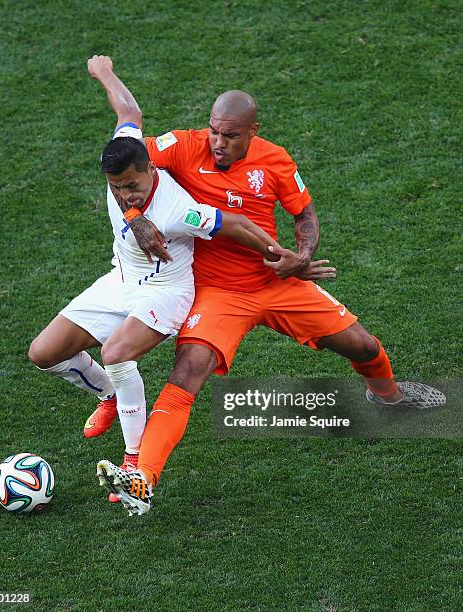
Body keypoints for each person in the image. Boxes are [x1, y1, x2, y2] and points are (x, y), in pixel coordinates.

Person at [88, 55, 445, 516]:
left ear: (253, 131)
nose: (217, 142)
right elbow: (124, 168)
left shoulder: (275, 161)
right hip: (217, 293)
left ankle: (388, 396)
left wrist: (302, 256)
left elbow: (306, 216)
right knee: (187, 372)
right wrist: (136, 217)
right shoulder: (183, 146)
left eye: (230, 135)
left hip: (276, 281)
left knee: (362, 345)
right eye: (214, 131)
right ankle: (143, 478)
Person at [31, 57, 290, 512]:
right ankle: (109, 394)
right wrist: (105, 73)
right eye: (115, 188)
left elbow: (233, 223)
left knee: (115, 354)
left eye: (131, 186)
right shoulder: (124, 156)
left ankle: (134, 462)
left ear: (151, 169)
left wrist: (280, 254)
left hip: (166, 292)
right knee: (44, 354)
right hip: (121, 281)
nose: (124, 194)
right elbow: (129, 112)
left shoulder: (177, 209)